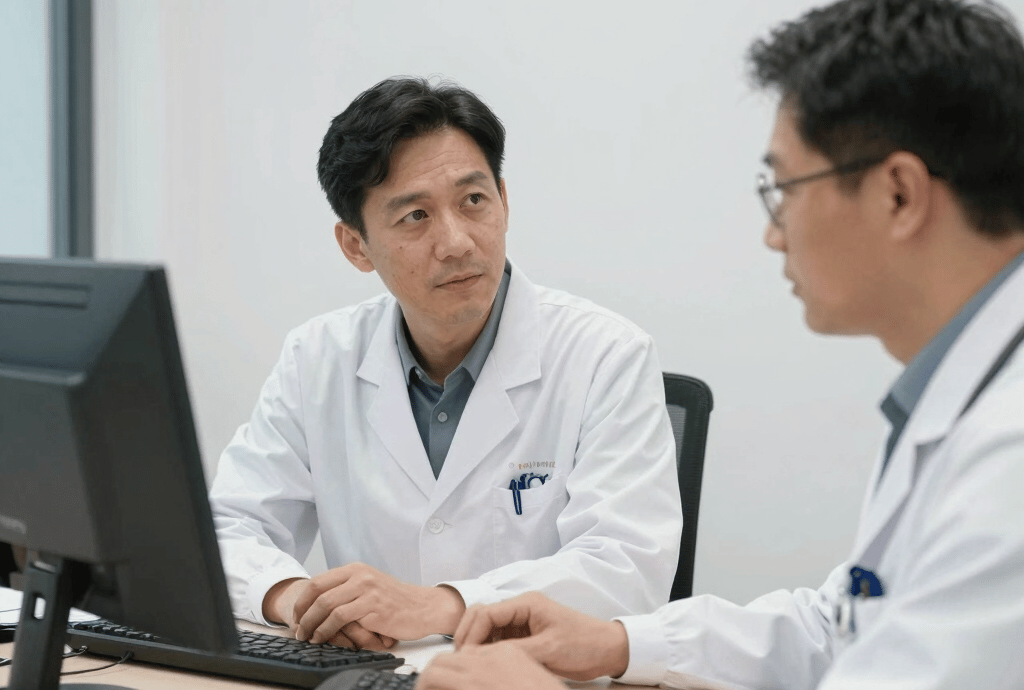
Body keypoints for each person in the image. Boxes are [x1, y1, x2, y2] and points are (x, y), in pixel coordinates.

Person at [416, 0, 1024, 688]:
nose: (774, 232)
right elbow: (841, 628)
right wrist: (618, 643)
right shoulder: (961, 401)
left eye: (785, 188)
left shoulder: (1010, 460)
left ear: (898, 195)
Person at [208, 77, 682, 652]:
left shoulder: (607, 355)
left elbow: (627, 566)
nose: (457, 241)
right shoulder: (318, 357)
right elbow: (226, 527)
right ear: (356, 245)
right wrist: (295, 597)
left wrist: (442, 605)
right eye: (415, 216)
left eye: (473, 201)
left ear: (504, 202)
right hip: (374, 675)